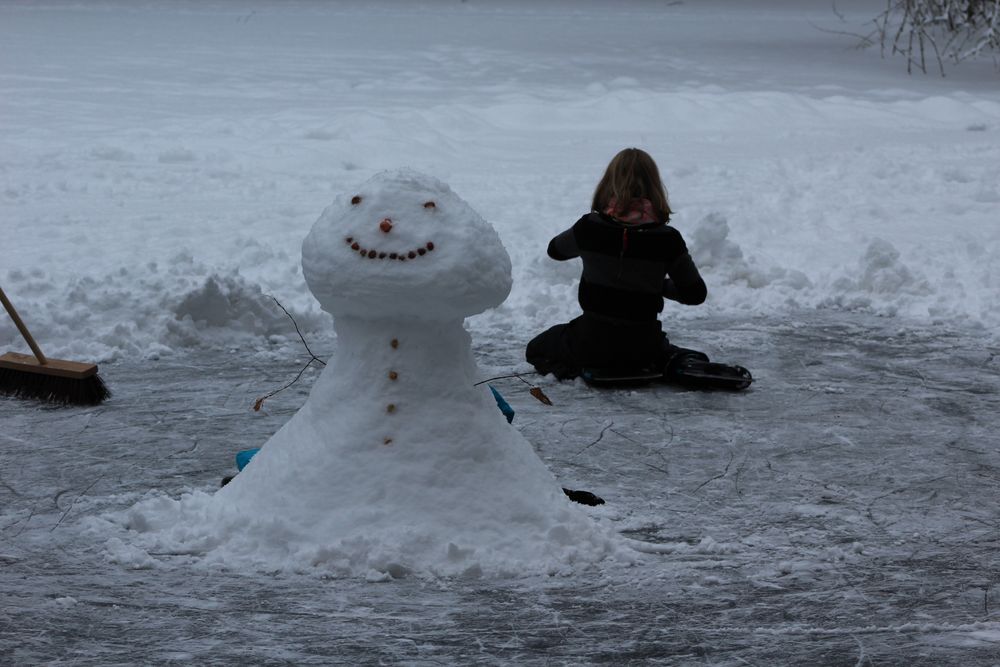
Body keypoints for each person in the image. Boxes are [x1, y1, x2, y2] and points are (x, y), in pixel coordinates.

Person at [526, 148, 748, 388]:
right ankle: (673, 364)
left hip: (592, 341)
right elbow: (695, 294)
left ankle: (585, 369)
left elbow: (555, 251)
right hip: (644, 344)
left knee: (537, 348)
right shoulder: (668, 238)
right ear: (655, 187)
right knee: (662, 351)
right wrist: (657, 285)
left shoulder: (588, 228)